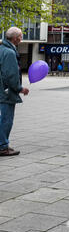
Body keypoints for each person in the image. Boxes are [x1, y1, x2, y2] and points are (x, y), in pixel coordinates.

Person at [0, 27, 30, 156]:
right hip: (6, 91)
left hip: (2, 89)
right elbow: (11, 75)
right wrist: (19, 88)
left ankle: (3, 144)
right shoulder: (9, 53)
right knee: (7, 119)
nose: (21, 38)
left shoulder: (2, 49)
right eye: (21, 36)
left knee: (4, 118)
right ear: (16, 38)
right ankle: (2, 146)